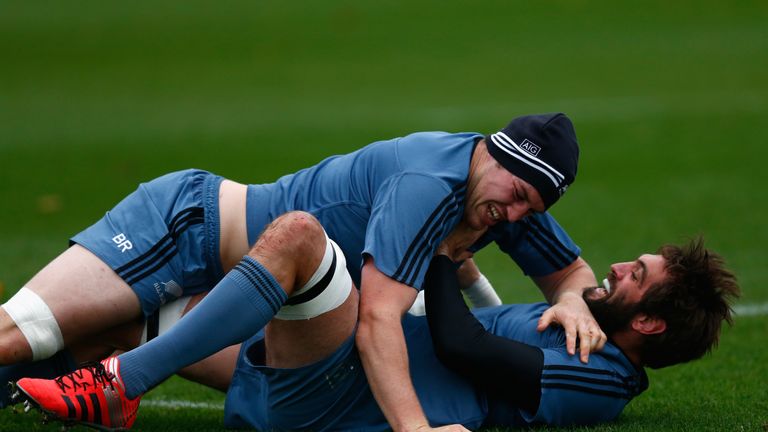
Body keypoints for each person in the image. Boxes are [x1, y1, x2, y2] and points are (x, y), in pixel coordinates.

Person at [0, 113, 605, 430]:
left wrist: (575, 299)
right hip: (187, 229)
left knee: (112, 336)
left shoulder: (501, 199)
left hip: (263, 302)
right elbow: (377, 321)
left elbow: (573, 274)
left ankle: (92, 370)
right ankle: (103, 381)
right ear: (493, 153)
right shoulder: (430, 182)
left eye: (535, 206)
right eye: (518, 192)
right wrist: (415, 429)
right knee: (23, 333)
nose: (519, 213)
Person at [12, 215, 740, 430]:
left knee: (298, 238)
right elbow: (494, 343)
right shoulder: (583, 336)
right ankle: (82, 373)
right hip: (342, 372)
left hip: (340, 395)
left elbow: (465, 349)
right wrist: (470, 273)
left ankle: (119, 387)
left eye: (635, 278)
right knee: (137, 319)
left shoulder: (600, 382)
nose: (616, 270)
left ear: (646, 325)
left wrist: (429, 247)